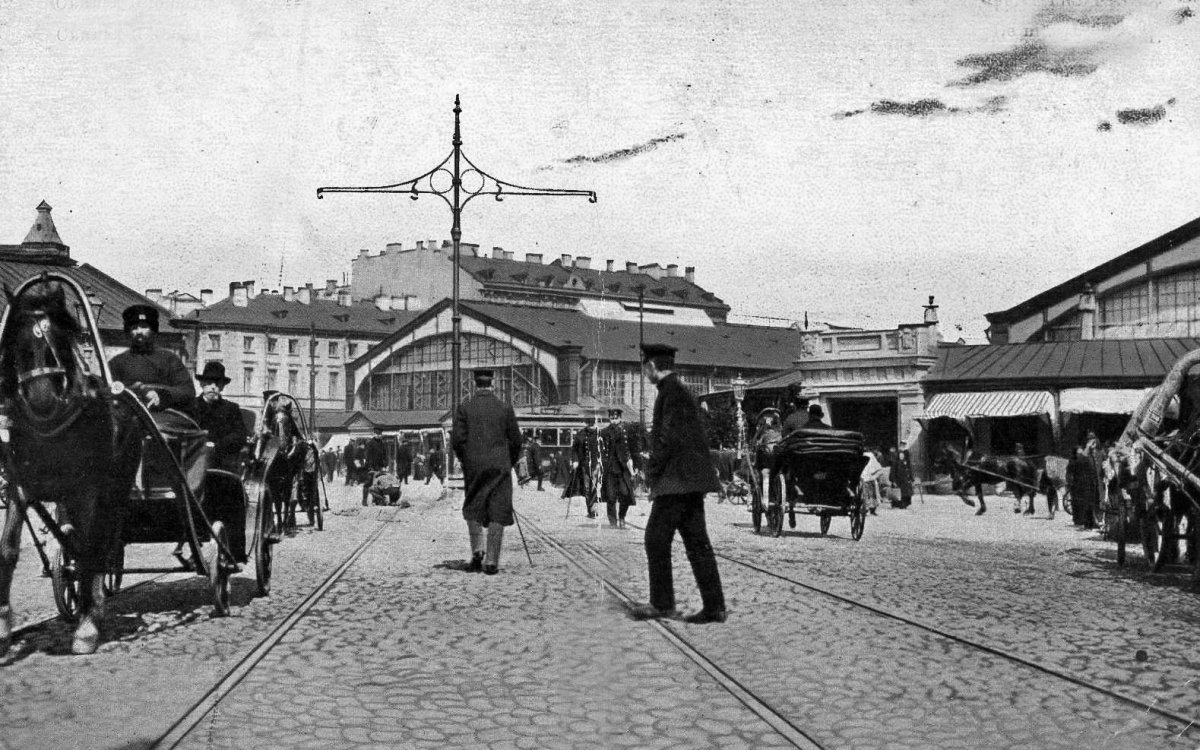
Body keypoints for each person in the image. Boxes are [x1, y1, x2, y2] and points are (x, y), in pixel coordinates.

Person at [631, 343, 726, 625]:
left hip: (677, 480)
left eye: (645, 368)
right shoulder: (680, 390)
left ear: (651, 367)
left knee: (655, 539)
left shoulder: (669, 393)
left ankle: (662, 603)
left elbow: (669, 438)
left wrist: (652, 470)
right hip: (691, 480)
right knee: (698, 543)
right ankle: (715, 607)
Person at [451, 368, 522, 575]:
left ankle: (477, 550)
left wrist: (467, 460)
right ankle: (491, 561)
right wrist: (509, 461)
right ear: (493, 383)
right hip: (499, 465)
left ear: (475, 384)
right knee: (498, 508)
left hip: (474, 466)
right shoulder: (504, 408)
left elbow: (457, 440)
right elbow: (516, 440)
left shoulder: (465, 408)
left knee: (473, 504)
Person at [109, 304, 196, 415]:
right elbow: (108, 391)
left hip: (162, 417)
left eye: (144, 327)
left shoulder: (169, 359)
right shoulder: (117, 362)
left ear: (153, 330)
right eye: (134, 328)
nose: (139, 331)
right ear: (128, 331)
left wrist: (161, 395)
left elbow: (187, 390)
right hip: (128, 417)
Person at [191, 361, 248, 474]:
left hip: (222, 463)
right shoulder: (191, 407)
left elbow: (240, 435)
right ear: (202, 384)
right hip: (194, 459)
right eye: (209, 382)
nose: (213, 387)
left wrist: (216, 446)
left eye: (217, 384)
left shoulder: (231, 409)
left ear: (222, 387)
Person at [599, 408, 636, 528]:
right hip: (610, 469)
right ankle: (613, 522)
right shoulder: (604, 432)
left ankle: (622, 517)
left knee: (625, 494)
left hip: (623, 469)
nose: (614, 420)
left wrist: (635, 467)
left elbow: (633, 450)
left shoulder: (627, 431)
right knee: (610, 496)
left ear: (620, 418)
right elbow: (599, 450)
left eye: (616, 418)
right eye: (612, 418)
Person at [564, 420, 601, 517]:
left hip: (596, 464)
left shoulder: (600, 434)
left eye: (593, 423)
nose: (591, 425)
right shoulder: (580, 434)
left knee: (595, 487)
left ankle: (593, 509)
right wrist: (575, 460)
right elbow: (574, 449)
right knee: (587, 488)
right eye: (589, 423)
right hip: (584, 465)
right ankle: (590, 509)